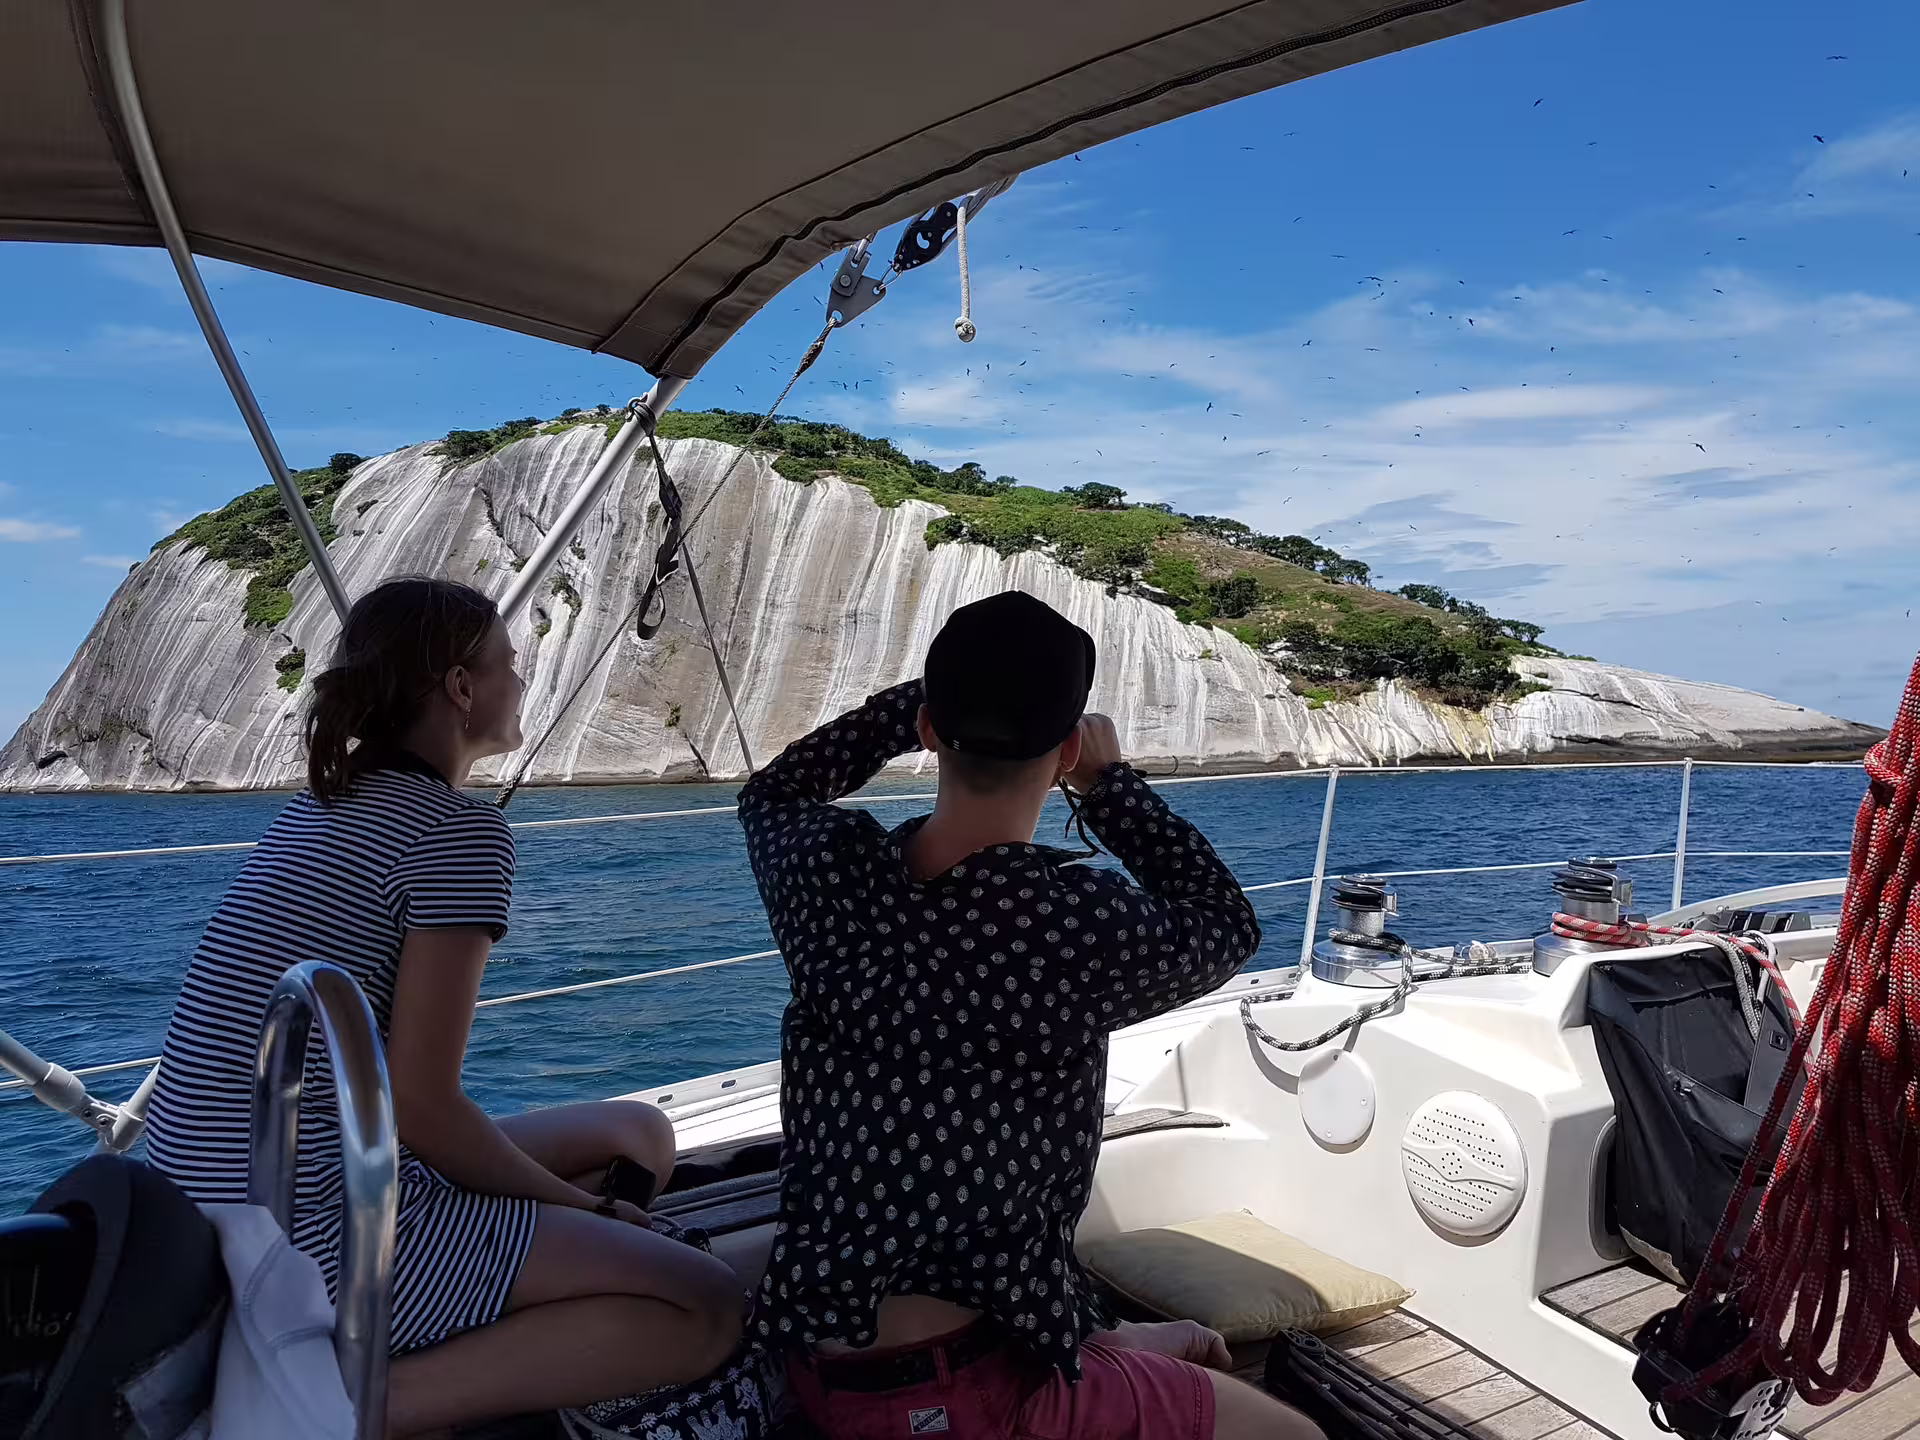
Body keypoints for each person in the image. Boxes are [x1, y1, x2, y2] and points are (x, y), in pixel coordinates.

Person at [144, 576, 741, 1437]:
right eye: (509, 664)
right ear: (462, 689)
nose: (523, 683)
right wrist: (590, 1211)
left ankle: (492, 1312)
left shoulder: (317, 805)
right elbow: (425, 1108)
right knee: (708, 1304)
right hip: (311, 1229)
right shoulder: (457, 834)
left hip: (206, 1191)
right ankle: (357, 1409)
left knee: (640, 1134)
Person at [738, 589, 1321, 1440]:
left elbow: (775, 793)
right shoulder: (1071, 922)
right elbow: (1224, 919)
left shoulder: (828, 873)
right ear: (1068, 748)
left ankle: (1102, 1340)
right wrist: (1112, 787)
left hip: (821, 1353)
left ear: (931, 730)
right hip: (965, 1387)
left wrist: (920, 706)